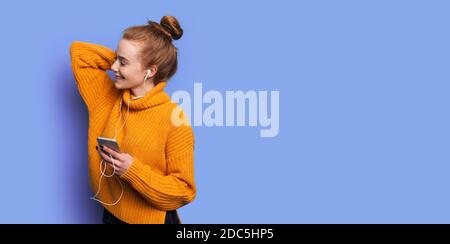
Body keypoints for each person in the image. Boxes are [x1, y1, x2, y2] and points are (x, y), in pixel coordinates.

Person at [70, 16, 196, 224]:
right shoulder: (108, 98)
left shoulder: (174, 120)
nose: (114, 67)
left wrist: (132, 171)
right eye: (117, 59)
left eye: (123, 62)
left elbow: (184, 190)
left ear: (150, 71)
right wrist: (124, 61)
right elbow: (79, 54)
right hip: (112, 215)